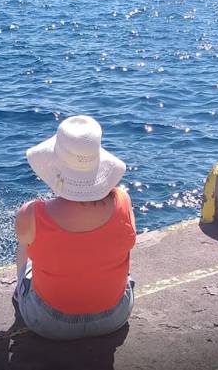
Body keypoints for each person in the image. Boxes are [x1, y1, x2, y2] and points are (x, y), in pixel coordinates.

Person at [13, 115, 136, 340]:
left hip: (49, 323)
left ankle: (19, 293)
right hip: (114, 317)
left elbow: (25, 243)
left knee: (25, 246)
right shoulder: (123, 201)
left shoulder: (32, 213)